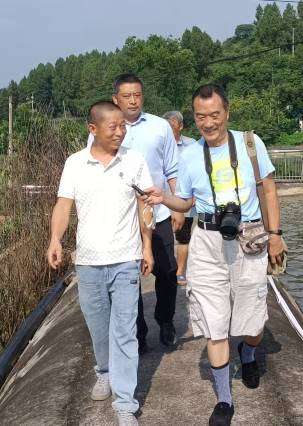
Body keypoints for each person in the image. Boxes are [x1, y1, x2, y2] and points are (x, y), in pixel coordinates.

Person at [144, 84, 285, 426]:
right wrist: (162, 198)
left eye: (214, 115)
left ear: (227, 112)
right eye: (200, 116)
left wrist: (276, 235)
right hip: (206, 241)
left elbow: (268, 188)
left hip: (249, 237)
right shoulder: (190, 155)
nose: (207, 123)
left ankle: (248, 351)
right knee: (214, 323)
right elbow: (187, 203)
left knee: (253, 319)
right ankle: (224, 400)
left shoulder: (250, 144)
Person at [47, 101, 154, 426]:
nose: (120, 132)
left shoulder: (133, 161)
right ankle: (104, 371)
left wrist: (147, 246)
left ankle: (125, 404)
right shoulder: (75, 164)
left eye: (123, 126)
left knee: (125, 331)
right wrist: (55, 239)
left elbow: (144, 206)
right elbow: (64, 205)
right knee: (98, 328)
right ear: (93, 129)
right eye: (113, 127)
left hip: (125, 259)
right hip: (89, 262)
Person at [89, 74, 182, 351]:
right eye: (127, 96)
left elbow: (172, 169)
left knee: (167, 271)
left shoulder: (160, 127)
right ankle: (139, 334)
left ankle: (165, 320)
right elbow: (94, 168)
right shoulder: (102, 129)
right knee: (131, 276)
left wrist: (177, 206)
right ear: (115, 98)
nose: (133, 100)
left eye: (137, 95)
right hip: (124, 220)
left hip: (160, 212)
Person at [162, 111, 196, 286]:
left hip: (184, 199)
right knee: (164, 237)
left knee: (183, 237)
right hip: (162, 200)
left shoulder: (192, 145)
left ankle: (180, 271)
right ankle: (165, 270)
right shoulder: (158, 145)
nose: (169, 131)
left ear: (180, 126)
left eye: (172, 127)